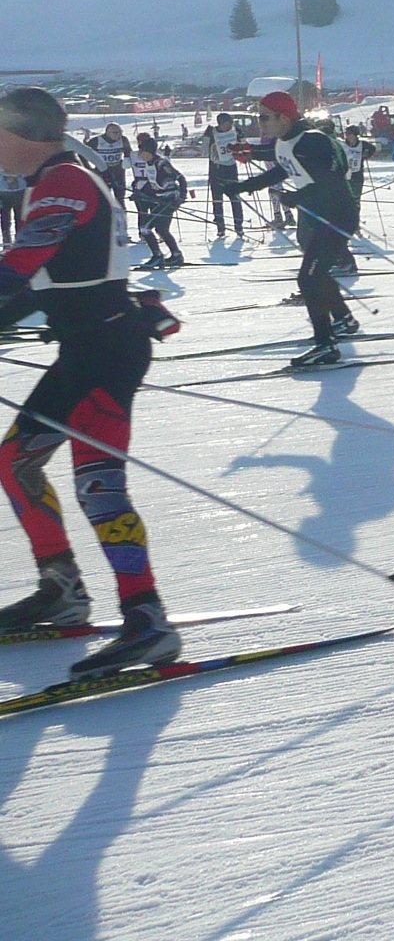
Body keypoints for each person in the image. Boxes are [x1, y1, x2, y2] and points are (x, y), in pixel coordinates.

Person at [0, 87, 182, 678]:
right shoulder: (51, 180)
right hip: (88, 348)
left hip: (106, 351)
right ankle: (63, 588)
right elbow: (35, 284)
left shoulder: (64, 183)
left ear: (25, 134)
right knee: (15, 462)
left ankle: (147, 620)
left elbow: (21, 266)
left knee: (97, 488)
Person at [229, 92, 362, 368]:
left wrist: (298, 198)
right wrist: (241, 187)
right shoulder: (286, 141)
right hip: (320, 214)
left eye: (264, 117)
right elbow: (281, 171)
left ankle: (325, 345)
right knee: (317, 273)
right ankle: (344, 319)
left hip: (337, 216)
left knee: (309, 278)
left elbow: (332, 180)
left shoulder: (310, 141)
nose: (260, 122)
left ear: (284, 117)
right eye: (258, 117)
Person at [128, 133, 188, 271]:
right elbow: (153, 184)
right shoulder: (150, 164)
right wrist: (139, 194)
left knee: (145, 228)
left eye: (142, 151)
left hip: (168, 202)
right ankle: (176, 255)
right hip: (161, 201)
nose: (140, 154)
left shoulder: (161, 164)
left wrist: (182, 196)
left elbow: (180, 178)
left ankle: (157, 256)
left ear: (149, 152)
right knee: (161, 229)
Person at [200, 112, 247, 236]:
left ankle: (239, 226)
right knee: (217, 200)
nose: (229, 126)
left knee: (235, 198)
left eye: (230, 123)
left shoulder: (235, 130)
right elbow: (203, 151)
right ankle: (220, 228)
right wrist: (208, 142)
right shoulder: (211, 132)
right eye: (227, 123)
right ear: (220, 124)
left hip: (231, 168)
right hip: (216, 169)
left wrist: (242, 142)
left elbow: (244, 146)